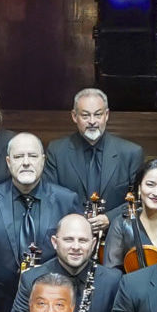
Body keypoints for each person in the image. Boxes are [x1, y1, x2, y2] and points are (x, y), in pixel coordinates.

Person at [0, 132, 80, 305]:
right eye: (18, 156)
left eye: (33, 156)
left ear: (42, 160)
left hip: (53, 303)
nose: (26, 162)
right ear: (8, 162)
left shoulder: (66, 200)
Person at [10, 211, 125, 312]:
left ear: (93, 245)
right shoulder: (32, 279)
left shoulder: (113, 280)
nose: (76, 247)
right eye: (68, 240)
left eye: (82, 240)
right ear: (55, 242)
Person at [42, 89, 147, 225]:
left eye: (98, 115)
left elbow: (139, 200)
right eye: (85, 116)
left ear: (107, 115)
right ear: (74, 116)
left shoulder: (131, 153)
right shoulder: (57, 151)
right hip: (71, 234)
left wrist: (110, 218)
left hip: (116, 234)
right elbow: (49, 197)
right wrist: (78, 222)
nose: (92, 121)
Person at [101, 159, 157, 273]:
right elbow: (111, 274)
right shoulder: (122, 224)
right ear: (139, 188)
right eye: (150, 185)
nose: (156, 193)